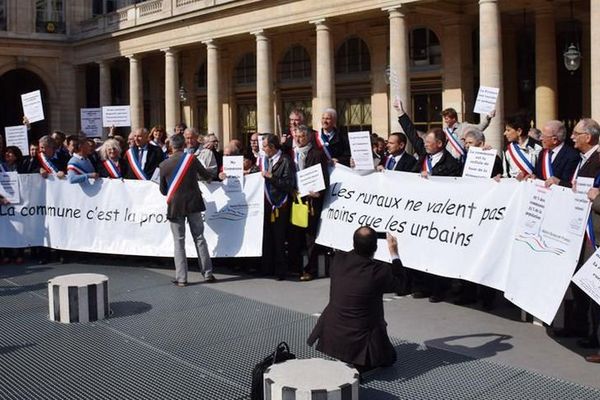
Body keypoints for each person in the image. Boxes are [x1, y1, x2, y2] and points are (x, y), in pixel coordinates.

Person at [307, 227, 403, 372]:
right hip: (361, 337)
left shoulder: (337, 260)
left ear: (353, 244)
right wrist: (394, 253)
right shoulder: (378, 272)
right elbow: (401, 285)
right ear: (376, 247)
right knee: (390, 358)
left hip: (333, 335)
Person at [394, 98, 461, 302]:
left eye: (429, 143)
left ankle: (438, 289)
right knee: (418, 250)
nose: (425, 145)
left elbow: (452, 188)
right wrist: (401, 114)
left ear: (439, 144)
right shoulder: (423, 155)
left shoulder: (451, 164)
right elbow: (413, 135)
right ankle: (421, 285)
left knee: (436, 253)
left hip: (438, 216)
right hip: (418, 212)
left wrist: (432, 180)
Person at [554, 118, 600, 344]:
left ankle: (595, 336)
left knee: (594, 288)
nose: (572, 137)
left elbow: (595, 196)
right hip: (578, 231)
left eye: (576, 133)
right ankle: (581, 327)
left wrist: (597, 198)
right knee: (579, 283)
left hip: (595, 235)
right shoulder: (585, 160)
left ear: (588, 137)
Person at [159, 134, 216, 286]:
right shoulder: (191, 159)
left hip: (175, 206)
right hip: (193, 203)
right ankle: (208, 274)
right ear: (184, 145)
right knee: (199, 238)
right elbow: (206, 175)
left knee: (179, 242)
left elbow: (163, 191)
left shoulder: (164, 165)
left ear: (171, 146)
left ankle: (182, 278)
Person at [287, 125, 329, 281]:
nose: (298, 139)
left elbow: (323, 178)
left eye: (301, 136)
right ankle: (296, 268)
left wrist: (318, 192)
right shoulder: (292, 155)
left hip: (311, 200)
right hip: (297, 198)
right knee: (295, 234)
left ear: (308, 137)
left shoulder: (317, 155)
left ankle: (311, 269)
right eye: (296, 136)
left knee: (310, 236)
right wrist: (292, 189)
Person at [261, 133, 295, 280]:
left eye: (265, 146)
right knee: (268, 237)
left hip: (280, 204)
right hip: (267, 204)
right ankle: (268, 268)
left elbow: (288, 184)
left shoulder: (285, 160)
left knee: (279, 238)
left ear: (272, 147)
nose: (263, 149)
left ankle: (281, 270)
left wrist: (271, 177)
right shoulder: (265, 160)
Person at [533, 120, 580, 188]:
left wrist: (558, 182)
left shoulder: (572, 156)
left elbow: (570, 184)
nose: (540, 138)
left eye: (543, 136)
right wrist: (534, 176)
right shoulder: (543, 152)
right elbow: (538, 173)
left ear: (554, 140)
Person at [503, 114, 542, 179]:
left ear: (519, 131)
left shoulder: (538, 148)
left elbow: (544, 173)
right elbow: (505, 175)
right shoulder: (507, 149)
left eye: (508, 130)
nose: (504, 133)